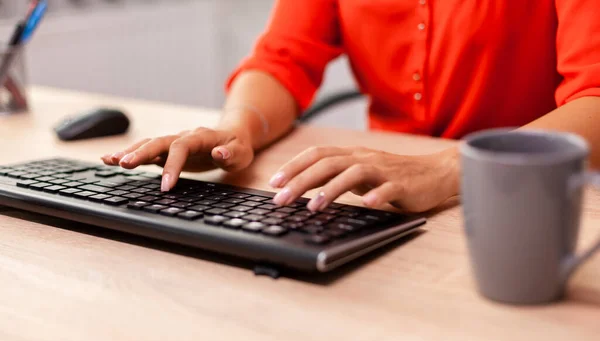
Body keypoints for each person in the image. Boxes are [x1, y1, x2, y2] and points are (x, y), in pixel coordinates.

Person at [102, 0, 600, 213]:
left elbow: (594, 99)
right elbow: (283, 57)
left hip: (528, 201)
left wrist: (449, 169)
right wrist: (237, 128)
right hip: (384, 200)